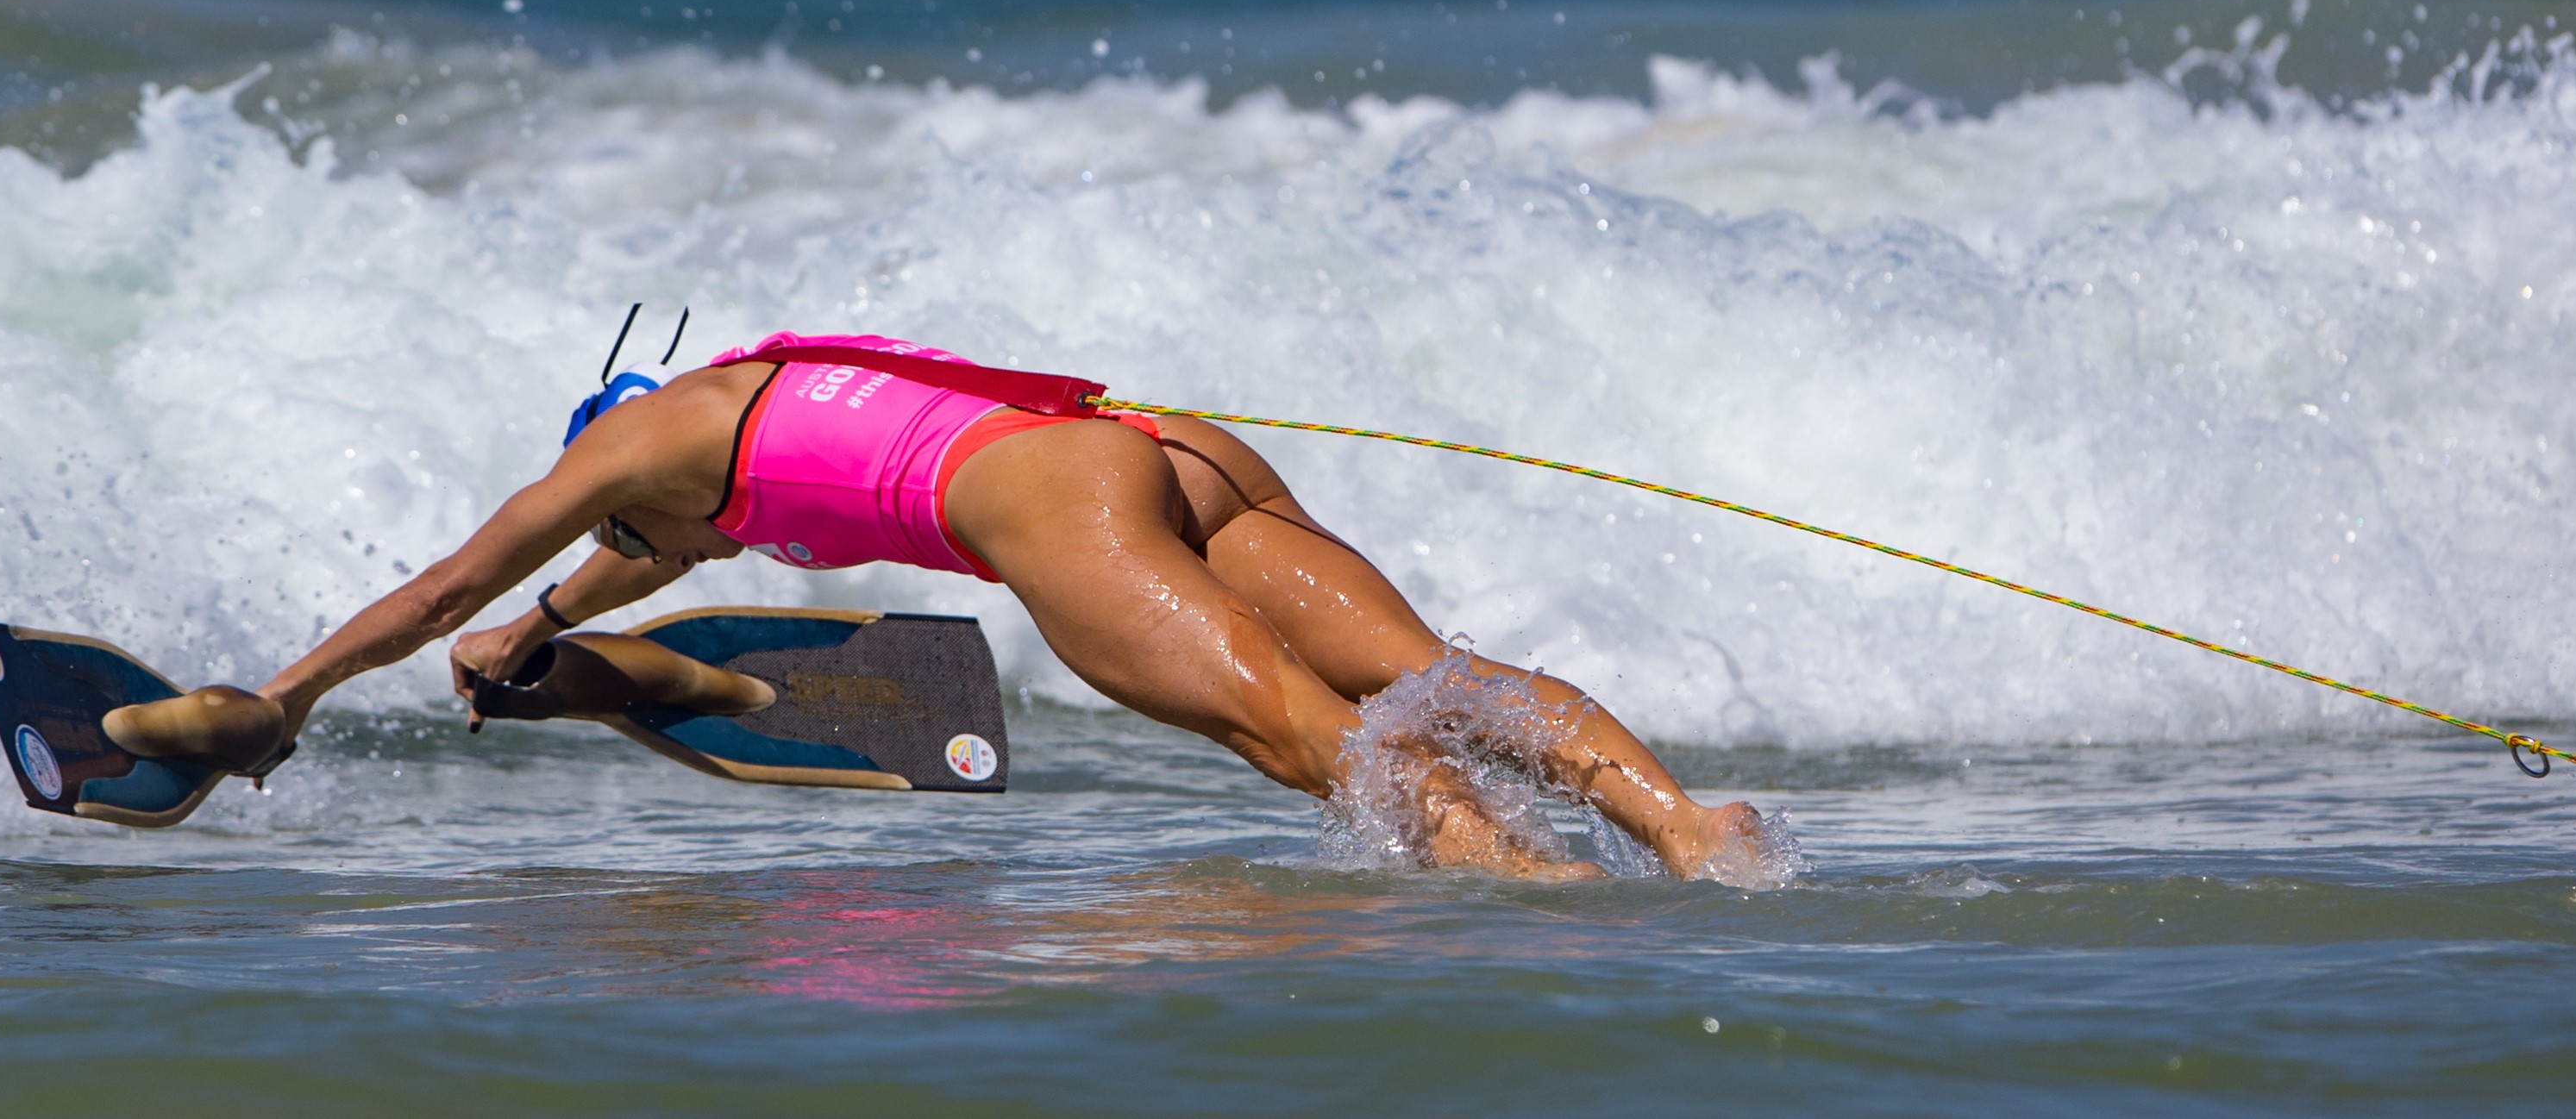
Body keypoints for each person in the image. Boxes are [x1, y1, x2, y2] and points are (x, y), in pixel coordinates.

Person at [116, 332, 1778, 882]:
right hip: (1161, 446)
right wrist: (540, 630)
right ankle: (1685, 828)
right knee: (1433, 677)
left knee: (1303, 735)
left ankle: (1531, 900)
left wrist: (296, 694)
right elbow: (613, 571)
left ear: (605, 451)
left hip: (1052, 499)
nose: (642, 538)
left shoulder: (636, 442)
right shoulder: (733, 424)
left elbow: (446, 584)